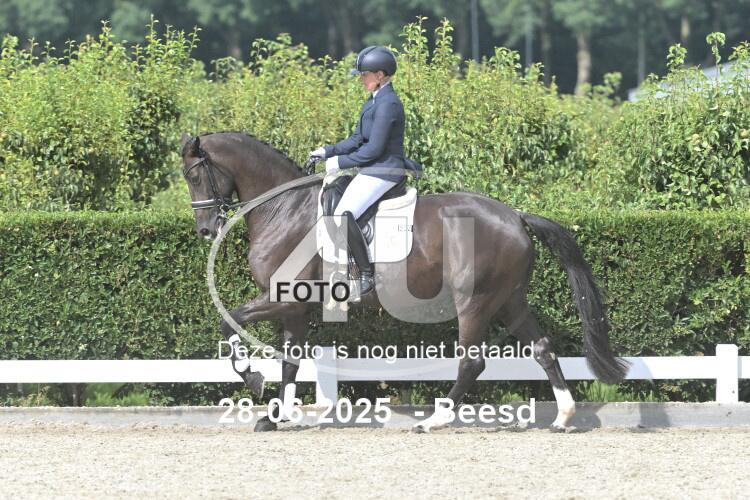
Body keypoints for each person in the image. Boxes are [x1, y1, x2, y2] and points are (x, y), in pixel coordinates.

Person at [309, 45, 407, 298]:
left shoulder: (389, 104)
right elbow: (356, 139)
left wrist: (339, 163)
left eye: (365, 74)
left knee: (344, 214)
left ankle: (365, 275)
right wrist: (327, 151)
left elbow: (374, 149)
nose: (361, 79)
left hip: (384, 170)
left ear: (380, 75)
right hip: (372, 169)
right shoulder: (373, 101)